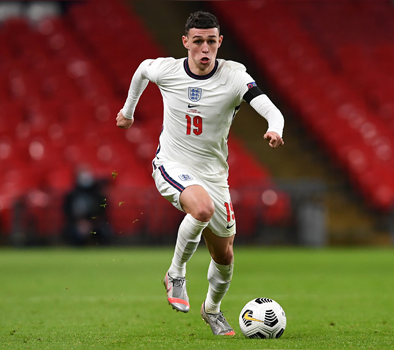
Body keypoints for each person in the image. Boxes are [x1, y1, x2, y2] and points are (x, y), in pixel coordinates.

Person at [116, 11, 284, 335]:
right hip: (172, 164)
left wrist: (274, 127)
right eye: (197, 42)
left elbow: (269, 108)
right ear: (186, 43)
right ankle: (175, 274)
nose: (204, 49)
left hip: (213, 175)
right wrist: (127, 111)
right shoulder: (168, 70)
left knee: (225, 255)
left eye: (210, 42)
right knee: (202, 208)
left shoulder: (234, 76)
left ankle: (212, 309)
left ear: (219, 42)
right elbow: (142, 70)